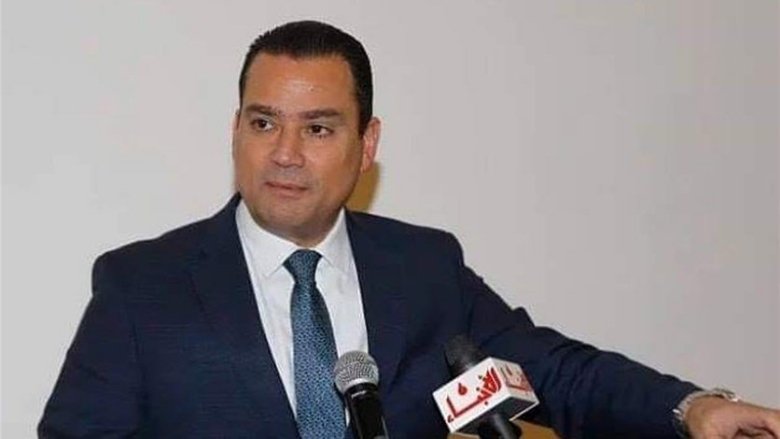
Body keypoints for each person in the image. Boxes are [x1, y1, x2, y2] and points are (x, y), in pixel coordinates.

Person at [39, 20, 779, 439]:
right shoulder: (142, 288)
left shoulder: (422, 271)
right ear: (236, 130)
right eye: (264, 123)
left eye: (318, 128)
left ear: (367, 145)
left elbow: (555, 372)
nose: (285, 153)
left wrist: (694, 409)